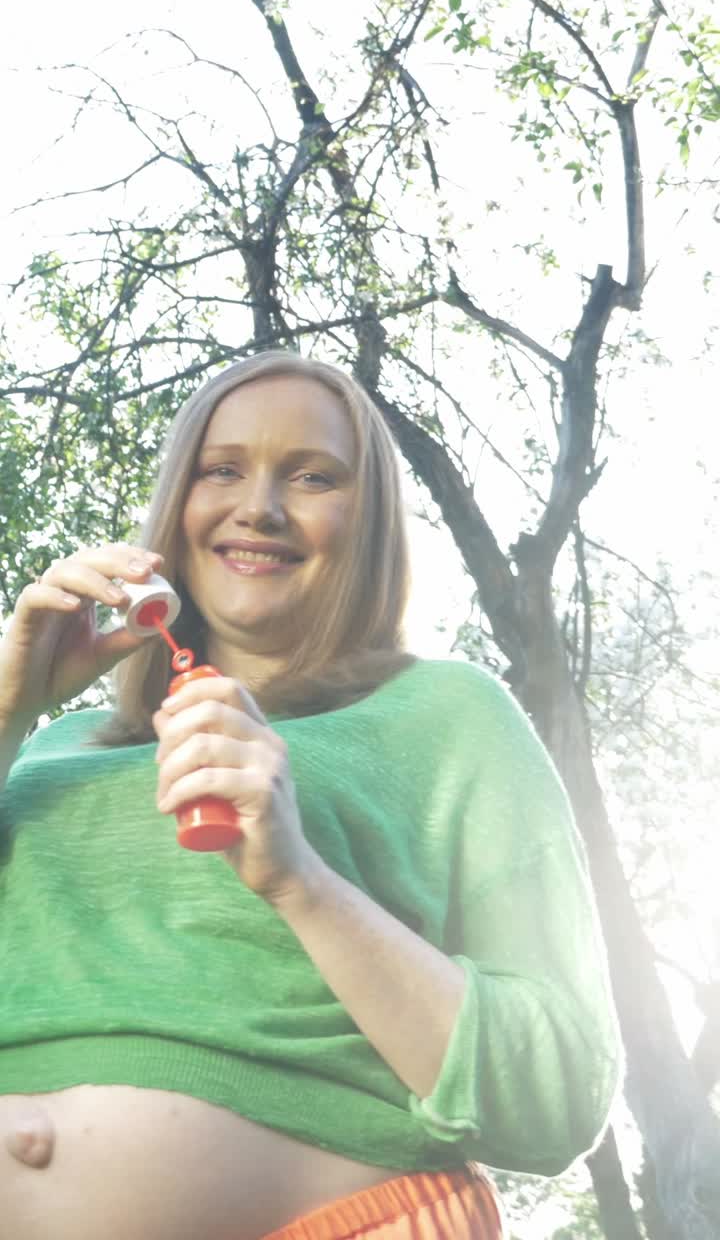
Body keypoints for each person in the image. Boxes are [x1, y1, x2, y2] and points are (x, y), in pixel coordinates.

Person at [0, 350, 621, 1240]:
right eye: (223, 469)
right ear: (178, 503)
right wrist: (9, 707)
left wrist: (301, 878)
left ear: (368, 523)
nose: (258, 506)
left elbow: (559, 1091)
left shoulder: (449, 716)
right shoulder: (49, 748)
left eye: (312, 475)